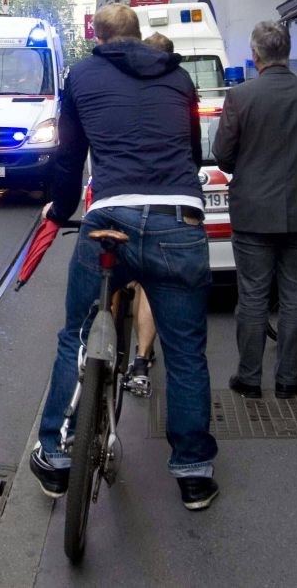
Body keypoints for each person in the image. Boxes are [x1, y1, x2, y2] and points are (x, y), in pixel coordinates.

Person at [30, 4, 219, 511]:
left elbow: (69, 156)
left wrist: (60, 210)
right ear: (138, 33)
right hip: (178, 220)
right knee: (185, 350)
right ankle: (194, 473)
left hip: (109, 217)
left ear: (98, 37)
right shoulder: (179, 78)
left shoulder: (80, 76)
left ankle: (57, 454)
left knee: (75, 335)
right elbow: (192, 153)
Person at [213, 22, 297, 401]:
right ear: (287, 52)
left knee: (252, 296)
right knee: (295, 295)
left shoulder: (241, 96)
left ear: (255, 55)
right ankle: (288, 380)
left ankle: (249, 378)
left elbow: (223, 155)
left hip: (253, 212)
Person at [123, 32, 176, 396]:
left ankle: (98, 357)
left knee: (113, 277)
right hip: (165, 201)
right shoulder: (179, 90)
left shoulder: (124, 91)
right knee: (151, 284)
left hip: (122, 197)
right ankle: (141, 359)